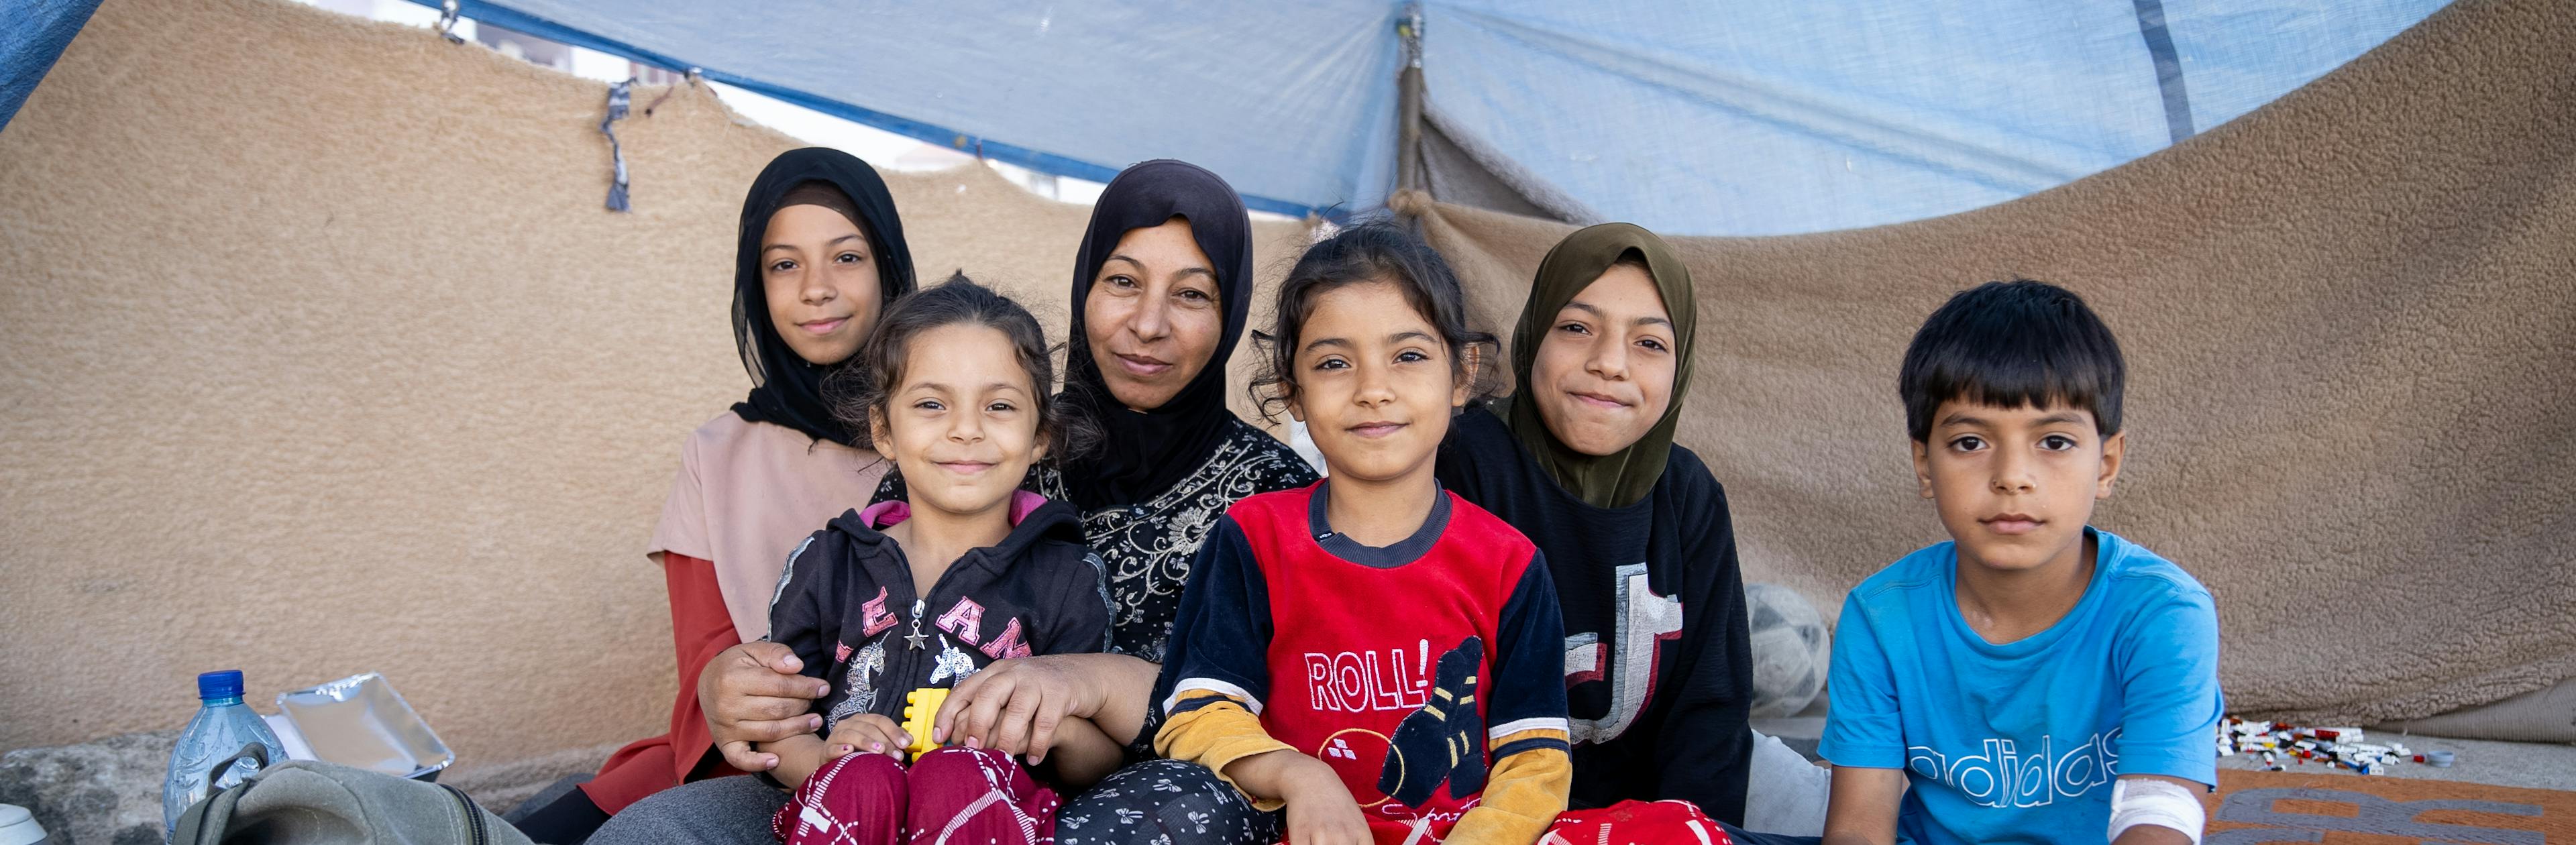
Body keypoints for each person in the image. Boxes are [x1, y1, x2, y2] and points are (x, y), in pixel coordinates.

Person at [607, 160, 1318, 845]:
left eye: (1192, 295)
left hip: (1111, 797)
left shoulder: (1271, 496)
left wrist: (1069, 699)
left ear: (1230, 311)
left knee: (1197, 811)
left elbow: (1268, 714)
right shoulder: (947, 467)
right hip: (856, 787)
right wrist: (743, 696)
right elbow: (800, 688)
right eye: (1123, 281)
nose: (1149, 323)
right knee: (651, 829)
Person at [512, 148, 916, 844]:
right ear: (755, 284)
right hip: (745, 759)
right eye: (783, 264)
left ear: (888, 267)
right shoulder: (717, 452)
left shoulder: (947, 435)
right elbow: (708, 667)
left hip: (912, 765)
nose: (816, 289)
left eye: (847, 257)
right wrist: (729, 690)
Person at [1150, 221, 1572, 845]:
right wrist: (1299, 775)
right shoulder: (1256, 539)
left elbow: (1534, 764)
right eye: (1334, 363)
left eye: (1408, 356)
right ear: (1292, 392)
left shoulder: (1509, 563)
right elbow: (1198, 714)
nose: (1373, 390)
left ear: (1461, 374)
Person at [1435, 223, 1831, 838]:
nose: (1609, 364)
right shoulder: (1463, 466)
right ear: (1533, 334)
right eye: (1576, 328)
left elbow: (1709, 713)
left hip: (1650, 820)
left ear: (1681, 366)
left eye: (1649, 343)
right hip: (1484, 817)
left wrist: (1682, 831)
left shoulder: (1689, 494)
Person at [1815, 280, 2220, 845]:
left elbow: (2161, 820)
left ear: (2106, 465)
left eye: (2054, 442)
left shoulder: (2164, 614)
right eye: (1970, 443)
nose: (2012, 477)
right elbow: (1859, 828)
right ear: (1924, 464)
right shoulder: (1881, 617)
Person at [761, 276, 1117, 845]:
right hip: (849, 810)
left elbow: (1100, 759)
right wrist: (824, 756)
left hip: (986, 816)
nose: (966, 430)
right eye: (932, 404)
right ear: (884, 430)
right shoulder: (829, 563)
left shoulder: (1067, 579)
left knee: (959, 777)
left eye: (999, 406)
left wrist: (1050, 727)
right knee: (860, 779)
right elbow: (775, 725)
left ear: (1040, 436)